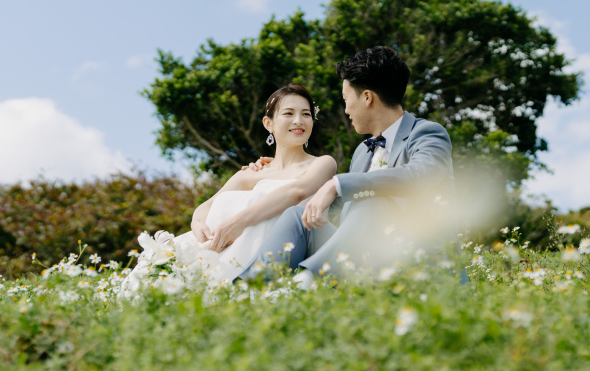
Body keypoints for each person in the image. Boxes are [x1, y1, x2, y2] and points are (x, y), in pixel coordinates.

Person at [241, 46, 457, 285]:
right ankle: (247, 290)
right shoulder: (362, 152)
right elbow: (338, 206)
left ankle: (308, 284)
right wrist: (277, 174)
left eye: (346, 100)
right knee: (298, 216)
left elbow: (419, 175)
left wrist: (337, 183)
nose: (345, 110)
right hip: (366, 261)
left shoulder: (427, 133)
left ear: (367, 97)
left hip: (416, 262)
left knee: (374, 200)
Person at [124, 84, 337, 287]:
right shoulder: (252, 174)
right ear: (268, 123)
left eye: (306, 114)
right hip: (220, 247)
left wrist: (238, 223)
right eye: (288, 113)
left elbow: (296, 193)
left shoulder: (322, 163)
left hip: (272, 254)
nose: (298, 120)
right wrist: (199, 226)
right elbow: (206, 207)